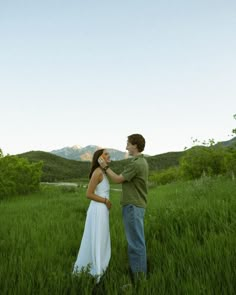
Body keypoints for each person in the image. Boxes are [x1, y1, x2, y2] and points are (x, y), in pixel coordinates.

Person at [98, 134, 148, 283]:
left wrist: (104, 167)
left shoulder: (137, 164)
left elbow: (118, 179)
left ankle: (138, 280)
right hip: (136, 205)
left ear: (135, 145)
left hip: (133, 206)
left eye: (128, 143)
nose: (126, 145)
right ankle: (139, 274)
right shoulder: (141, 161)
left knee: (135, 243)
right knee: (137, 241)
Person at [73, 149, 112, 283]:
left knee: (101, 237)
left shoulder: (104, 172)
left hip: (102, 210)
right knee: (97, 237)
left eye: (108, 154)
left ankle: (99, 263)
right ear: (99, 158)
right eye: (105, 154)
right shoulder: (97, 172)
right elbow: (89, 194)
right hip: (98, 210)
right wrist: (106, 201)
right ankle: (95, 267)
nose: (108, 155)